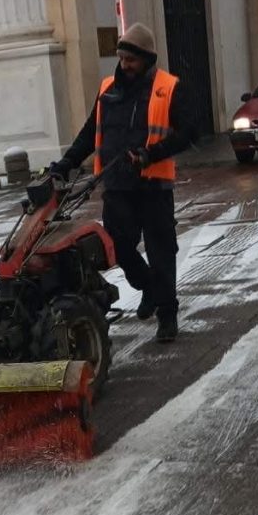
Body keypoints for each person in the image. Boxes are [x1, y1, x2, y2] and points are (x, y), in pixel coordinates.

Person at [50, 23, 195, 343]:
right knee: (119, 247)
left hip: (153, 186)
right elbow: (90, 134)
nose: (124, 64)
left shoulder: (168, 87)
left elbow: (187, 133)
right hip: (116, 185)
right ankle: (148, 286)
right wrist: (66, 164)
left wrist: (151, 154)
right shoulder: (107, 89)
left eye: (131, 59)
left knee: (162, 251)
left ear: (147, 58)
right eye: (122, 58)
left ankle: (167, 314)